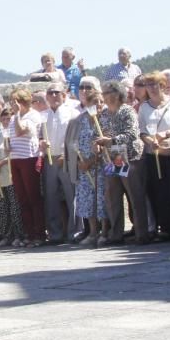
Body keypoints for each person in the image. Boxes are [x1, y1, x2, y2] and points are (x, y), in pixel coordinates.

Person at [98, 80, 149, 245]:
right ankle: (116, 233)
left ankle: (142, 233)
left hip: (129, 156)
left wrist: (110, 140)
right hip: (111, 158)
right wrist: (97, 143)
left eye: (105, 93)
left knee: (134, 194)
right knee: (112, 195)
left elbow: (132, 134)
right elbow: (98, 133)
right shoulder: (104, 114)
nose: (102, 96)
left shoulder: (127, 111)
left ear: (115, 94)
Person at [137, 71, 170, 241]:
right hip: (154, 154)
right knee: (158, 190)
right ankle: (164, 228)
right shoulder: (144, 107)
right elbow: (142, 131)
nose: (151, 88)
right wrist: (150, 141)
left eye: (154, 84)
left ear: (163, 85)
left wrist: (166, 135)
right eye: (148, 85)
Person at [41, 82, 80, 243]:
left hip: (67, 158)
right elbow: (39, 137)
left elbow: (76, 138)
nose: (54, 95)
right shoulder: (43, 115)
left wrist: (68, 155)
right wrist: (41, 143)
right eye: (50, 93)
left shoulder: (73, 113)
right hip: (49, 158)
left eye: (57, 92)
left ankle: (75, 232)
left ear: (64, 95)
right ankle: (55, 233)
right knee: (51, 197)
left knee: (72, 196)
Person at [8, 88, 46, 245]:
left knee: (33, 197)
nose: (12, 104)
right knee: (22, 198)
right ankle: (29, 233)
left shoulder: (33, 116)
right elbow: (12, 136)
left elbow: (20, 131)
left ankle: (39, 233)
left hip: (29, 158)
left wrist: (17, 114)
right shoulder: (13, 117)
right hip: (15, 158)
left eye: (14, 101)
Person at [72, 80, 108, 245]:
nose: (99, 105)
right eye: (95, 102)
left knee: (102, 199)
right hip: (84, 167)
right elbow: (75, 141)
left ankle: (105, 231)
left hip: (102, 165)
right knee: (87, 199)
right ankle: (93, 232)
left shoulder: (106, 119)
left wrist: (93, 159)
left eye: (101, 102)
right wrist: (81, 161)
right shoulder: (81, 120)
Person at [0, 108, 26, 246]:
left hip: (12, 175)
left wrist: (1, 163)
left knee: (15, 207)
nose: (5, 121)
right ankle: (6, 235)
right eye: (3, 119)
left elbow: (16, 153)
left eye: (8, 119)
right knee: (1, 207)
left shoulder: (16, 134)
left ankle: (19, 235)